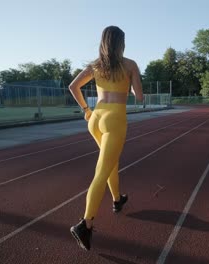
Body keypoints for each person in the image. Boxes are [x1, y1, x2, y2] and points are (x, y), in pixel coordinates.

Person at [68, 25, 143, 251]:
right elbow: (139, 96)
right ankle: (86, 223)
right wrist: (130, 86)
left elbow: (73, 86)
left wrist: (85, 109)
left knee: (110, 163)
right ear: (121, 43)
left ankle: (117, 199)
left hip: (96, 118)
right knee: (101, 171)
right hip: (114, 120)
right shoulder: (130, 65)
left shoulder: (95, 65)